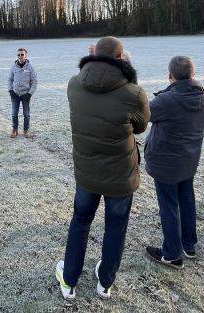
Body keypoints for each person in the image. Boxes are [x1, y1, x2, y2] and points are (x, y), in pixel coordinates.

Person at [56, 36, 150, 300]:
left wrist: (98, 59)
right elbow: (141, 125)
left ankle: (70, 278)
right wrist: (128, 72)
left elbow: (89, 80)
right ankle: (105, 281)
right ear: (122, 59)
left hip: (87, 172)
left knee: (80, 221)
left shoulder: (74, 84)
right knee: (115, 227)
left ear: (94, 55)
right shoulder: (133, 92)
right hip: (120, 176)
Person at [144, 56, 204, 269]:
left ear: (170, 75)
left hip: (167, 161)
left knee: (169, 205)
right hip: (188, 158)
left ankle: (172, 254)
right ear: (194, 73)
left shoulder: (167, 100)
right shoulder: (202, 94)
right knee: (187, 199)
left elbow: (143, 114)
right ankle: (188, 244)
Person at [8, 48, 38, 138]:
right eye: (18, 55)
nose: (20, 56)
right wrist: (11, 91)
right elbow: (10, 79)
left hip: (25, 95)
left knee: (26, 114)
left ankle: (26, 130)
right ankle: (15, 130)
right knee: (14, 113)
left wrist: (29, 94)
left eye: (22, 54)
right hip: (15, 94)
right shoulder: (13, 67)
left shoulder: (30, 68)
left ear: (26, 55)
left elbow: (35, 82)